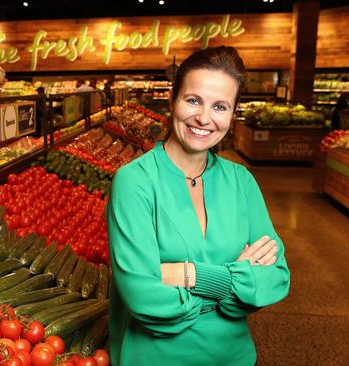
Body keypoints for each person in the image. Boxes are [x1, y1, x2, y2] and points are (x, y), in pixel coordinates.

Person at [107, 46, 290, 366]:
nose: (204, 118)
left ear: (232, 115)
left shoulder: (242, 181)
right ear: (172, 100)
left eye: (220, 106)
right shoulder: (134, 181)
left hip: (235, 357)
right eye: (193, 100)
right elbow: (141, 296)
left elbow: (275, 279)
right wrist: (234, 280)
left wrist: (185, 274)